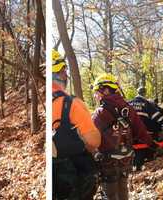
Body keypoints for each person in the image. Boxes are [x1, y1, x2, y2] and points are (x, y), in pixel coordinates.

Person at [91, 73, 155, 200]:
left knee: (110, 195)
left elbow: (90, 138)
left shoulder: (100, 113)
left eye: (97, 92)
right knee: (123, 190)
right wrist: (151, 144)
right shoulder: (128, 108)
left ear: (106, 90)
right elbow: (140, 129)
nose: (95, 95)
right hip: (126, 158)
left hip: (108, 161)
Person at [52, 49, 101, 200]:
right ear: (60, 73)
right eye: (64, 71)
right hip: (73, 179)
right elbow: (94, 141)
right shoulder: (71, 103)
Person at [129, 87, 163, 169]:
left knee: (135, 148)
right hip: (144, 131)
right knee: (143, 146)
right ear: (144, 93)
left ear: (137, 93)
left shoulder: (129, 103)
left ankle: (135, 165)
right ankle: (141, 164)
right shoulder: (146, 103)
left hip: (131, 132)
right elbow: (157, 116)